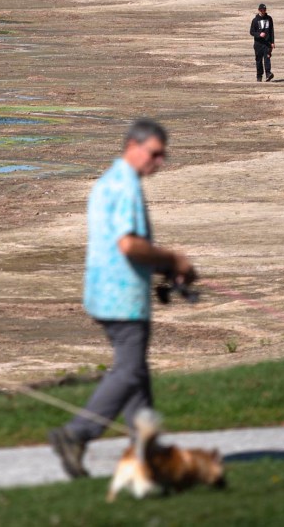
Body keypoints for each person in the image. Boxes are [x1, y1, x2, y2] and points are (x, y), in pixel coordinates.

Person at [48, 118, 195, 479]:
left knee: (137, 376)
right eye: (155, 154)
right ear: (134, 145)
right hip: (122, 297)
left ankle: (149, 452)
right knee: (129, 372)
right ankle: (76, 435)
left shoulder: (108, 182)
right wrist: (172, 259)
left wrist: (160, 266)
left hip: (105, 292)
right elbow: (129, 245)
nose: (159, 162)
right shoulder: (125, 185)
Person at [250, 3, 275, 82]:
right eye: (261, 10)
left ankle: (268, 74)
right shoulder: (255, 20)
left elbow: (271, 31)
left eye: (264, 10)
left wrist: (272, 42)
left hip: (267, 43)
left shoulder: (269, 19)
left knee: (267, 58)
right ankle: (259, 76)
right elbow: (251, 32)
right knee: (259, 60)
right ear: (259, 10)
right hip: (258, 44)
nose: (263, 11)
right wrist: (259, 34)